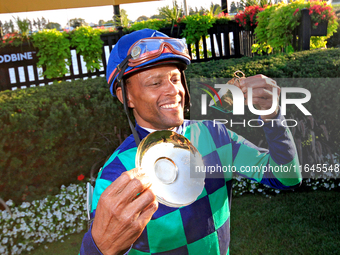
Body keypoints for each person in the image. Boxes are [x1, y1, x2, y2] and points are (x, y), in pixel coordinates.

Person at [80, 29, 302, 255]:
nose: (173, 91)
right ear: (125, 96)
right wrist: (98, 248)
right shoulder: (114, 173)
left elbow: (286, 177)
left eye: (175, 79)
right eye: (155, 83)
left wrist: (272, 116)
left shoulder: (214, 134)